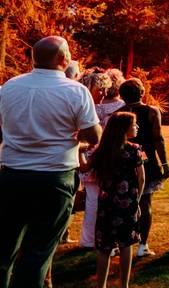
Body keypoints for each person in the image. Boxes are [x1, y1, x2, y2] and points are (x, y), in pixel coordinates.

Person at [0, 36, 101, 288]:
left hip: (13, 174)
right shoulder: (75, 91)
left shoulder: (8, 87)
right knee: (38, 252)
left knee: (4, 248)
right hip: (54, 177)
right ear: (63, 59)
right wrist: (79, 138)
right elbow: (94, 135)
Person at [86, 112, 143, 288]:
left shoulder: (101, 150)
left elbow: (84, 167)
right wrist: (137, 201)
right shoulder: (134, 150)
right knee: (126, 245)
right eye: (134, 124)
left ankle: (101, 285)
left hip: (106, 204)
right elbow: (141, 179)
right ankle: (123, 285)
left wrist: (79, 150)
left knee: (104, 248)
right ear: (124, 129)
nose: (137, 127)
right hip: (127, 204)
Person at [118, 78, 169, 258]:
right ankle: (143, 244)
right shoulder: (151, 111)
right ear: (142, 93)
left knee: (122, 202)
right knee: (145, 202)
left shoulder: (118, 113)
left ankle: (122, 241)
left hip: (123, 161)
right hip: (145, 162)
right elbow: (158, 139)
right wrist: (164, 163)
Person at [78, 71, 117, 249]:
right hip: (86, 156)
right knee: (93, 199)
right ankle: (89, 240)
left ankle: (93, 238)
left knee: (95, 198)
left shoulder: (93, 105)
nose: (103, 93)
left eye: (105, 89)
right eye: (99, 89)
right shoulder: (84, 105)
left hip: (97, 155)